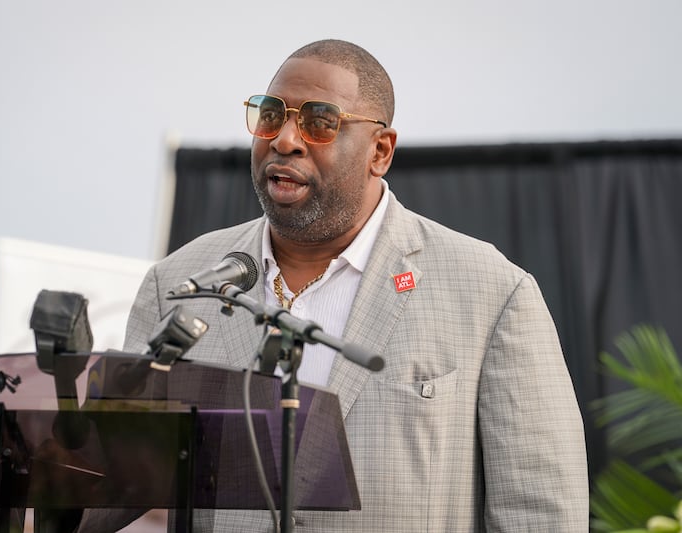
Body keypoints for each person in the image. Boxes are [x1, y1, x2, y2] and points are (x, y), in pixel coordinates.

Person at [88, 39, 589, 532]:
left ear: (380, 151)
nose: (285, 140)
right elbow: (111, 481)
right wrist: (51, 473)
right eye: (271, 115)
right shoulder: (181, 280)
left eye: (319, 122)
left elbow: (540, 514)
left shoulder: (491, 292)